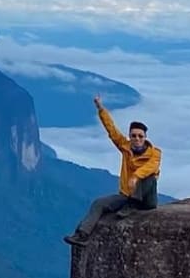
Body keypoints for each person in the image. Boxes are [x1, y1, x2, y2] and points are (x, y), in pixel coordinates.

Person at [64, 95, 161, 245]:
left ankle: (133, 205)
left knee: (149, 177)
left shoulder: (155, 153)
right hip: (126, 195)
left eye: (140, 136)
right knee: (99, 204)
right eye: (133, 136)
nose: (137, 139)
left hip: (146, 200)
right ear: (130, 136)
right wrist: (101, 108)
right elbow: (112, 131)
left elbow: (151, 167)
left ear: (145, 137)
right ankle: (82, 235)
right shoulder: (125, 147)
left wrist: (135, 176)